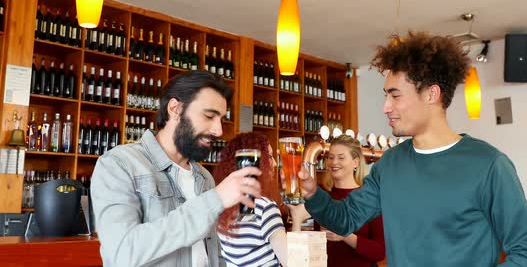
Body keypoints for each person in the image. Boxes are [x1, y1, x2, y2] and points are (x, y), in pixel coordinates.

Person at [297, 32, 527, 266]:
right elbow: (345, 219)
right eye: (386, 96)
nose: (386, 106)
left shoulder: (489, 165)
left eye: (395, 96)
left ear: (431, 94)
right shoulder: (389, 164)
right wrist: (312, 193)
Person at [91, 71, 262, 267]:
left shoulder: (204, 177)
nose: (219, 130)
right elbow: (121, 253)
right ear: (175, 109)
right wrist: (215, 200)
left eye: (221, 119)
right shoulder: (119, 164)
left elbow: (211, 253)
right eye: (209, 116)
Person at [290, 135, 385, 267]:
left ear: (355, 162)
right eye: (330, 157)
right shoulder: (321, 198)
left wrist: (346, 236)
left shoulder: (368, 199)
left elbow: (380, 252)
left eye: (341, 157)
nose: (334, 162)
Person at [214, 132, 287, 267]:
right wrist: (298, 218)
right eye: (270, 157)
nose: (275, 164)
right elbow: (292, 261)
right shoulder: (265, 207)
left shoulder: (221, 204)